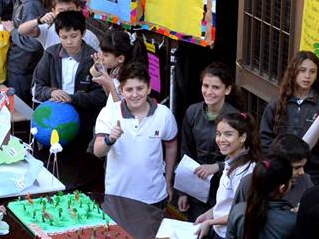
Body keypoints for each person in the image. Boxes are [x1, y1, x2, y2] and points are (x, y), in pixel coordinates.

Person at [195, 111, 260, 239]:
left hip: (229, 238)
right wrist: (209, 213)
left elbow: (242, 212)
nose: (221, 139)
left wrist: (211, 221)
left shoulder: (245, 170)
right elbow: (226, 202)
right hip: (219, 232)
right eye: (218, 134)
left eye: (228, 134)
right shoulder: (231, 161)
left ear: (243, 137)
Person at [94, 62, 178, 206]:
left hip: (154, 197)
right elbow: (98, 151)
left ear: (149, 88)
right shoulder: (109, 112)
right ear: (121, 90)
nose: (135, 94)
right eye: (129, 89)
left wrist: (168, 181)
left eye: (140, 88)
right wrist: (110, 139)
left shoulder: (163, 114)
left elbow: (171, 146)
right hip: (118, 197)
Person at [32, 9, 108, 142]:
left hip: (83, 128)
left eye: (74, 36)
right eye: (64, 37)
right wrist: (51, 92)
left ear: (83, 33)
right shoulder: (50, 55)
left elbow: (101, 97)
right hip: (52, 125)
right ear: (58, 35)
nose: (69, 42)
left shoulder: (93, 59)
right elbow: (36, 88)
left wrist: (73, 99)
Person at [260, 51, 319, 183]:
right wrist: (275, 162)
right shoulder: (277, 103)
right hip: (281, 169)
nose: (307, 76)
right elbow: (265, 137)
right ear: (293, 72)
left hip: (311, 170)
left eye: (312, 72)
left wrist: (318, 140)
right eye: (302, 70)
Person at [176, 63, 240, 219]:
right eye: (206, 86)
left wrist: (217, 167)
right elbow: (186, 151)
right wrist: (183, 192)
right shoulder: (193, 112)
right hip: (197, 186)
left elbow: (244, 157)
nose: (209, 92)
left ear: (228, 89)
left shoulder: (236, 118)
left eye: (216, 87)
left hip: (225, 187)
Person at [0, 0, 48, 100]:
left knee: (17, 105)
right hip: (17, 63)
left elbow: (33, 43)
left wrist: (12, 31)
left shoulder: (31, 6)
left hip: (23, 67)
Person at [235, 134, 313, 208]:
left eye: (303, 166)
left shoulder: (305, 180)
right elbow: (236, 216)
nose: (302, 172)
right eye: (296, 168)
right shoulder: (249, 183)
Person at [18, 0, 100, 51]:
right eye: (61, 11)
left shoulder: (90, 37)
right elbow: (22, 30)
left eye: (70, 10)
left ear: (78, 9)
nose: (66, 14)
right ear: (53, 11)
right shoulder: (48, 29)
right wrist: (39, 21)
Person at [91, 27, 146, 102]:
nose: (102, 58)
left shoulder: (131, 78)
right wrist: (102, 72)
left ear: (120, 59)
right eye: (102, 53)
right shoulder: (115, 70)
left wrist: (110, 85)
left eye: (106, 55)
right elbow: (108, 95)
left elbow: (123, 109)